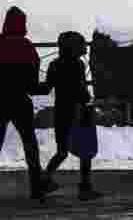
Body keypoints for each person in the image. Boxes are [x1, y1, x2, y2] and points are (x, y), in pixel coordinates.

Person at [0, 6, 47, 204]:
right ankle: (36, 189)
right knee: (30, 145)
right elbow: (32, 85)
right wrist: (45, 87)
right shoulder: (27, 47)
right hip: (19, 102)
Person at [40, 30, 102, 201]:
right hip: (78, 112)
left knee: (62, 151)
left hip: (61, 111)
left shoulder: (54, 64)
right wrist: (88, 99)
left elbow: (46, 88)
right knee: (85, 151)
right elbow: (81, 91)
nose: (84, 47)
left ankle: (45, 180)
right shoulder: (78, 65)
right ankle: (85, 189)